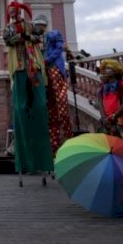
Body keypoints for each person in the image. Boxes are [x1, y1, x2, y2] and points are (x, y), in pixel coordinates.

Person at [3, 1, 53, 175]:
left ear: (19, 12)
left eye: (14, 12)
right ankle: (23, 158)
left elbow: (39, 34)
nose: (12, 15)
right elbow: (8, 40)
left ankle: (43, 159)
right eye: (10, 13)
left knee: (39, 108)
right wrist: (20, 37)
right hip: (18, 67)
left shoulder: (29, 26)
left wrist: (28, 35)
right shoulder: (8, 28)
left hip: (34, 66)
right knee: (20, 110)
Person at [40, 23, 73, 154]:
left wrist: (48, 60)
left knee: (62, 109)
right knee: (51, 111)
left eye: (40, 25)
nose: (38, 27)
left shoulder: (54, 34)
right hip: (45, 73)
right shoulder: (37, 39)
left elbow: (59, 48)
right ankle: (54, 147)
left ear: (44, 25)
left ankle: (69, 143)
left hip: (55, 70)